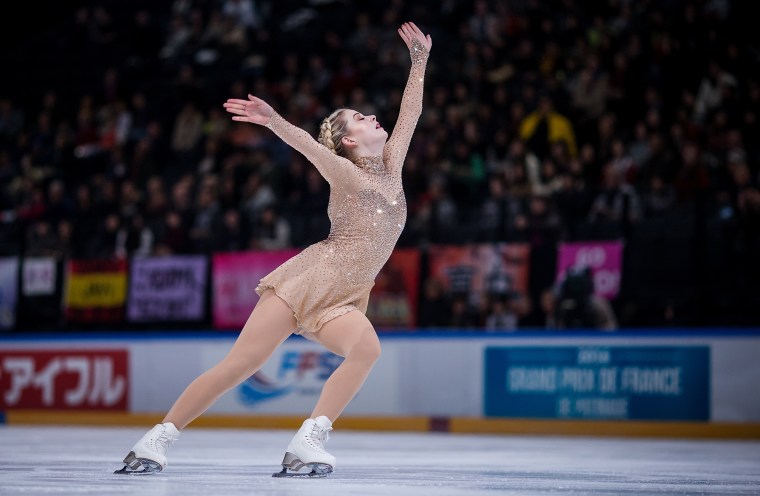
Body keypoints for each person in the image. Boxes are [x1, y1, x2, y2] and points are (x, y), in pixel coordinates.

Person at [115, 22, 432, 478]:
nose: (370, 117)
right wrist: (273, 121)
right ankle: (158, 438)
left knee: (366, 350)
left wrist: (419, 59)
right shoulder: (346, 173)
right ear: (347, 141)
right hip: (310, 279)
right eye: (358, 118)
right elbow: (309, 148)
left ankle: (309, 440)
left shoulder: (392, 165)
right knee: (242, 364)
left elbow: (411, 113)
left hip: (344, 296)